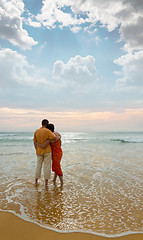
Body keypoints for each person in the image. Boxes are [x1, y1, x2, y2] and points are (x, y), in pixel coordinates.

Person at [33, 119, 60, 186]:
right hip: (47, 151)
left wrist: (37, 149)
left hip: (39, 151)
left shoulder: (37, 131)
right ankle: (46, 183)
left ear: (41, 124)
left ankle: (36, 181)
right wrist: (59, 136)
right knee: (47, 166)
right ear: (47, 124)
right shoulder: (47, 131)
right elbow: (55, 138)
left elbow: (34, 142)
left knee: (38, 166)